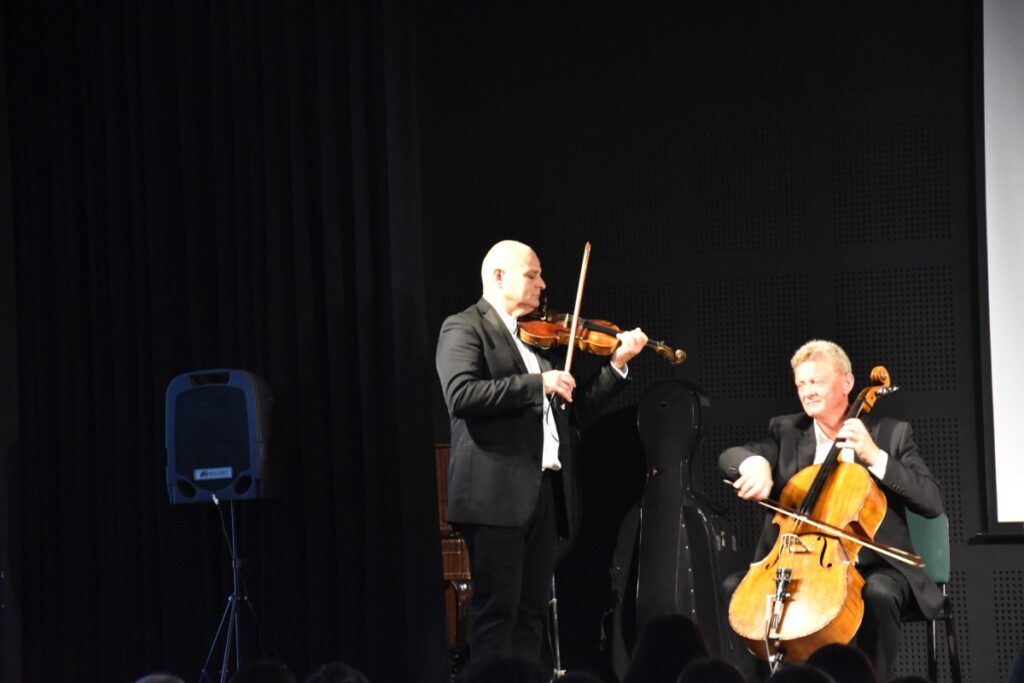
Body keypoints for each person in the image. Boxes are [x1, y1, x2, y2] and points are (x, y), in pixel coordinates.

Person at [435, 240, 647, 664]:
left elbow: (576, 412)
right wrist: (538, 384)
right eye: (532, 275)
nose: (543, 284)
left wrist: (616, 365)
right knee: (497, 614)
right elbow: (461, 394)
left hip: (543, 493)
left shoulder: (539, 339)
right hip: (495, 496)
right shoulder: (464, 327)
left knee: (532, 615)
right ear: (499, 277)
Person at [720, 339, 945, 681]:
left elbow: (932, 501)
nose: (807, 391)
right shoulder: (787, 432)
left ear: (847, 382)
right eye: (801, 384)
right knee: (734, 589)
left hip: (874, 567)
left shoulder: (890, 434)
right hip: (798, 566)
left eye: (816, 381)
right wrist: (754, 464)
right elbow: (730, 457)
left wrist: (875, 457)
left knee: (879, 594)